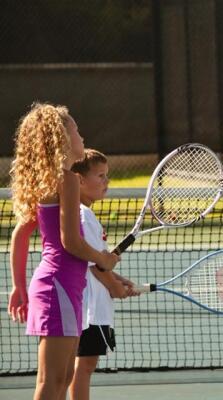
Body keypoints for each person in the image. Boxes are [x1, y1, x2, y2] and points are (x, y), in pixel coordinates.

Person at [8, 103, 120, 400]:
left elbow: (20, 235)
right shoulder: (67, 180)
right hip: (58, 286)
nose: (82, 137)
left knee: (63, 377)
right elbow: (70, 241)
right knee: (52, 381)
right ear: (62, 139)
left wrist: (20, 286)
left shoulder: (53, 180)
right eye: (76, 130)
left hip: (63, 287)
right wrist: (102, 259)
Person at [68, 149, 139, 400]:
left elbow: (99, 262)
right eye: (100, 176)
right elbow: (94, 266)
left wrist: (119, 281)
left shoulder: (85, 214)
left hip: (89, 305)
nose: (106, 182)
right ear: (79, 180)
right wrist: (115, 288)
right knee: (83, 368)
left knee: (84, 366)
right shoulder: (83, 215)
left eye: (107, 176)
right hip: (89, 308)